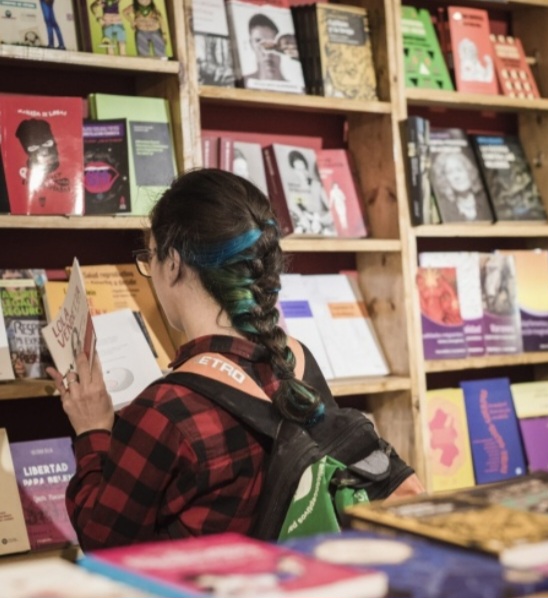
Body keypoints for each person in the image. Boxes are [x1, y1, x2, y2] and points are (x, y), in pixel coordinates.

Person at [47, 169, 423, 550]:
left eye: (150, 257)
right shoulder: (297, 359)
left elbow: (102, 541)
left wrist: (92, 429)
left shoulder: (165, 411)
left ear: (173, 263)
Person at [429, 151, 490, 222]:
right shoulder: (443, 209)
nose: (457, 176)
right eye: (450, 172)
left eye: (459, 170)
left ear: (469, 171)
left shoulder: (487, 202)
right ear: (445, 179)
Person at [246, 13, 284, 82]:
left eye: (271, 42)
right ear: (251, 44)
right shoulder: (244, 82)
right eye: (258, 41)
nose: (266, 49)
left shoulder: (297, 88)